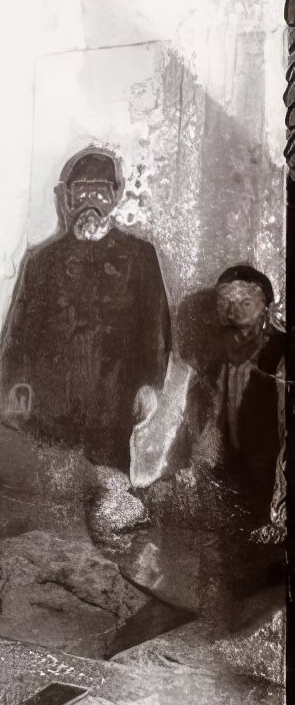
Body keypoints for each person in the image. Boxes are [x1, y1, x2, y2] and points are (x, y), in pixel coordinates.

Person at [105, 264, 287, 623]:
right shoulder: (220, 363)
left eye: (242, 302)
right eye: (224, 305)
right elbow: (210, 439)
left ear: (266, 306)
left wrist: (279, 514)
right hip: (237, 491)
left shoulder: (282, 358)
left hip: (273, 502)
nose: (232, 314)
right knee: (133, 510)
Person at [0, 149, 171, 470]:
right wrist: (15, 389)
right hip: (50, 406)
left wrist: (150, 384)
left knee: (104, 488)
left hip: (112, 402)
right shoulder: (41, 261)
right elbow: (19, 334)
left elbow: (155, 329)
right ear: (66, 197)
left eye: (100, 192)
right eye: (81, 192)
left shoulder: (141, 256)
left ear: (115, 196)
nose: (90, 202)